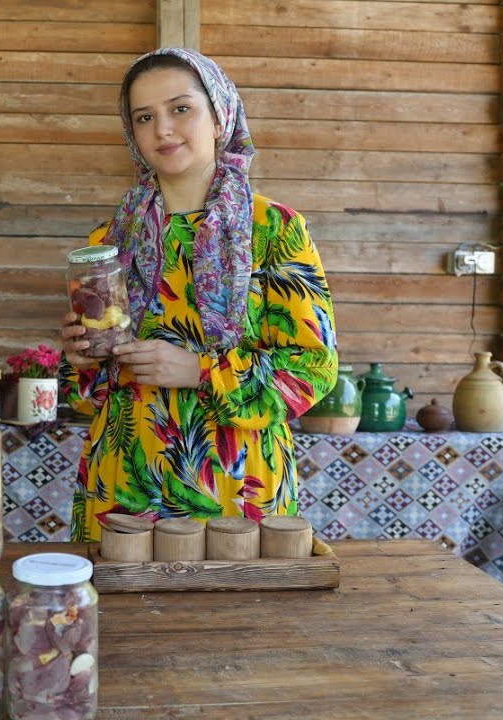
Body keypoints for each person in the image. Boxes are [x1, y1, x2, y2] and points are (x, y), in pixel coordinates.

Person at [60, 48, 339, 541]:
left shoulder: (273, 229)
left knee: (234, 616)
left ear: (219, 116)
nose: (163, 129)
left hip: (236, 486)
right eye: (145, 117)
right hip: (123, 486)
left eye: (180, 109)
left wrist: (199, 372)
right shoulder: (109, 241)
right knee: (124, 618)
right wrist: (82, 359)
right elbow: (90, 391)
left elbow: (312, 369)